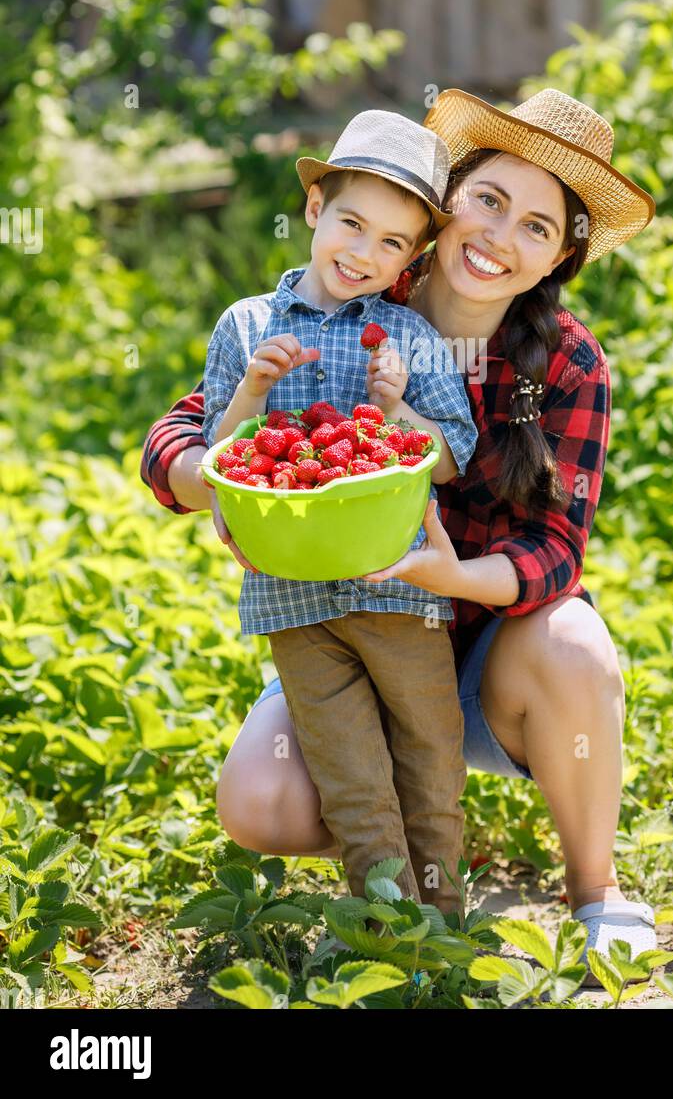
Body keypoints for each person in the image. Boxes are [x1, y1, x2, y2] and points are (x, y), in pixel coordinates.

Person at [141, 86, 659, 972]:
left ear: (559, 257)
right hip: (340, 618)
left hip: (487, 655)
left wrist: (447, 576)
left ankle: (595, 890)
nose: (500, 237)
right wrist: (213, 480)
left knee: (574, 641)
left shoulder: (565, 362)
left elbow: (555, 553)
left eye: (538, 226)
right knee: (258, 804)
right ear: (444, 203)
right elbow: (183, 431)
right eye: (489, 200)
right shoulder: (362, 289)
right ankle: (391, 883)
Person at [199, 107, 479, 919]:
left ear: (413, 256)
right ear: (315, 208)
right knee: (351, 774)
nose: (364, 253)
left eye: (392, 242)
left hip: (399, 589)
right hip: (292, 596)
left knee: (429, 759)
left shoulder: (411, 338)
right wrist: (253, 390)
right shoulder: (246, 327)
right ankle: (389, 934)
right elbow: (223, 464)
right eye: (352, 224)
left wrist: (395, 408)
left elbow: (450, 456)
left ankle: (446, 925)